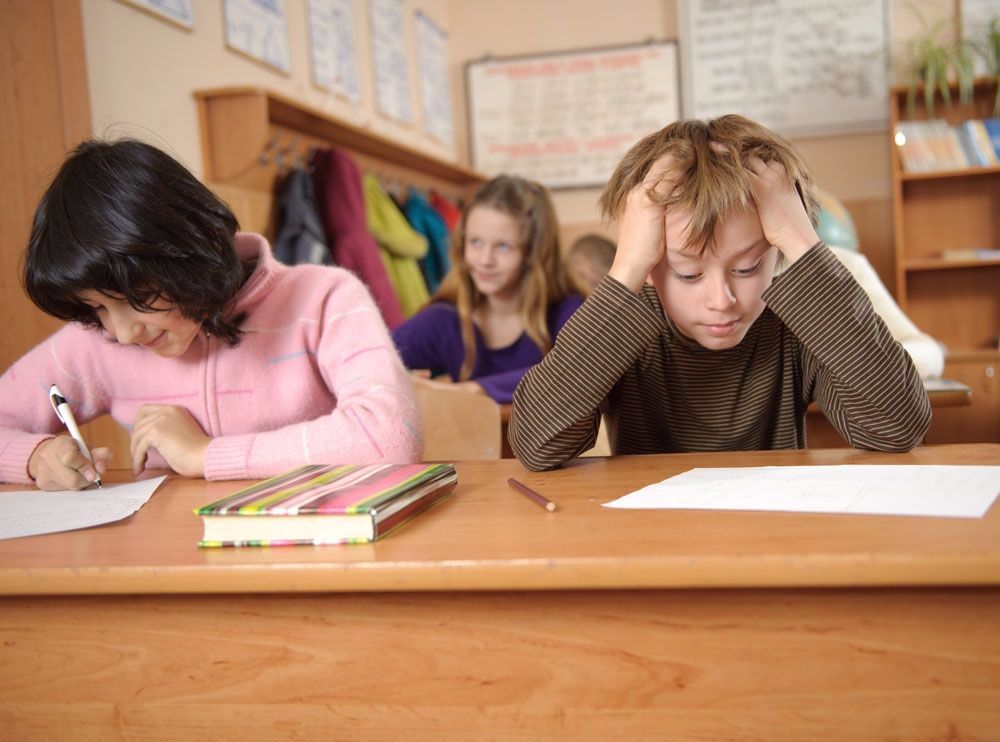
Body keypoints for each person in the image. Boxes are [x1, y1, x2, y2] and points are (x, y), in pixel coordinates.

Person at [508, 115, 931, 471]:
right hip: (652, 545)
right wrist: (626, 270)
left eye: (747, 267)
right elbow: (534, 444)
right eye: (688, 273)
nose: (721, 299)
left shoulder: (800, 318)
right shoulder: (624, 324)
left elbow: (898, 426)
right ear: (652, 264)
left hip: (775, 539)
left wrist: (804, 243)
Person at [0, 139, 421, 491]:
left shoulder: (324, 298)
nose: (123, 333)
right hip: (183, 573)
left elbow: (389, 435)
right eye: (98, 308)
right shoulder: (98, 341)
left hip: (321, 557)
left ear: (187, 250)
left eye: (136, 296)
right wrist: (35, 457)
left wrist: (205, 455)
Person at [391, 175, 583, 404]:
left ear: (535, 253)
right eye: (475, 242)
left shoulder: (569, 310)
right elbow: (366, 362)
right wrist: (407, 381)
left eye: (503, 246)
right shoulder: (445, 319)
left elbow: (574, 371)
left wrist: (473, 390)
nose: (485, 260)